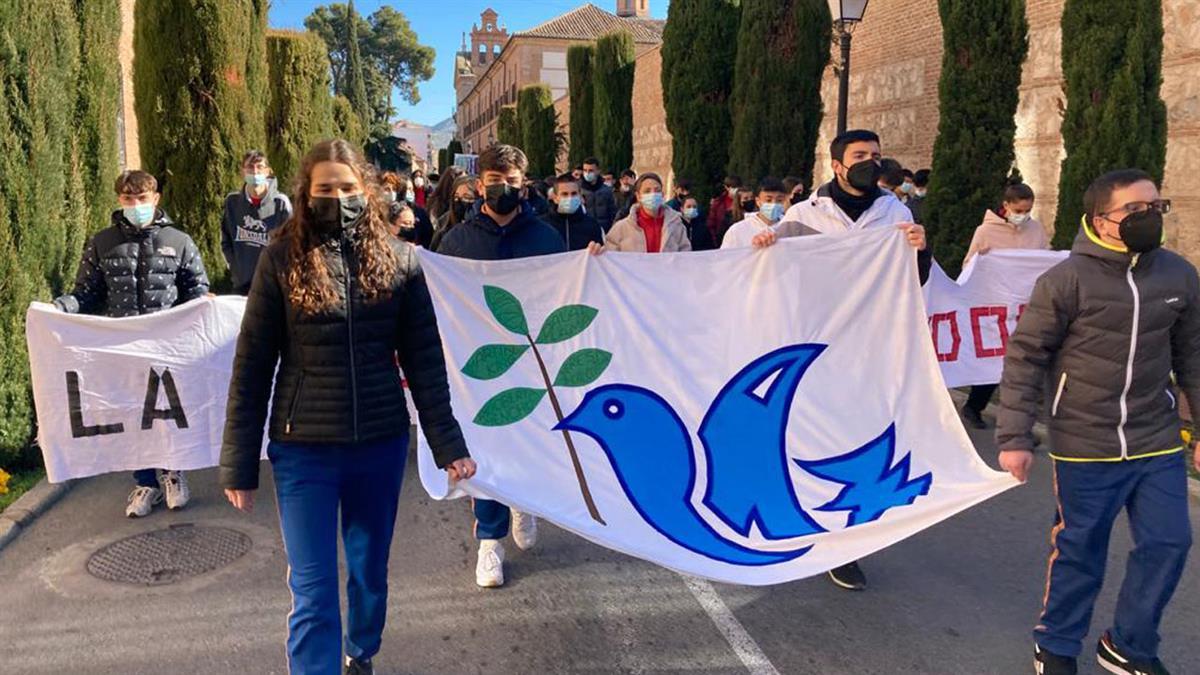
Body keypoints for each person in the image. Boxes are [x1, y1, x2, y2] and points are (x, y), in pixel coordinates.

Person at [219, 140, 474, 675]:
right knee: (312, 589)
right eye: (325, 189)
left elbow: (425, 362)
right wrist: (238, 462)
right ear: (306, 195)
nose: (338, 198)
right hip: (303, 452)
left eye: (348, 188)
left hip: (379, 446)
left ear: (368, 191)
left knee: (368, 574)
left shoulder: (402, 261)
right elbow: (252, 366)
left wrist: (448, 444)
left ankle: (362, 653)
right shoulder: (281, 258)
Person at [996, 169, 1198, 675]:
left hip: (1156, 438)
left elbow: (1193, 354)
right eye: (1134, 210)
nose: (1148, 217)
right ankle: (1057, 643)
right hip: (1085, 441)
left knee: (1170, 542)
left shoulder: (1178, 275)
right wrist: (1015, 437)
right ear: (1099, 221)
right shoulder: (1065, 280)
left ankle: (1129, 644)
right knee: (1080, 549)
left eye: (1155, 206)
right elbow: (1025, 358)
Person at [751, 129, 929, 593]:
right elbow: (771, 281)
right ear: (836, 165)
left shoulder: (896, 213)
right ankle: (808, 521)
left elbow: (915, 281)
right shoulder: (802, 217)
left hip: (872, 351)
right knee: (813, 442)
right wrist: (763, 254)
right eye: (859, 156)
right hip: (816, 350)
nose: (870, 162)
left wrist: (921, 250)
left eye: (876, 155)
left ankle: (849, 545)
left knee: (866, 445)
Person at [437, 144, 566, 588]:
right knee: (484, 449)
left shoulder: (547, 239)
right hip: (480, 367)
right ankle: (489, 542)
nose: (503, 188)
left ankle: (523, 502)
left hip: (533, 362)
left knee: (531, 441)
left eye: (511, 181)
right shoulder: (457, 241)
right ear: (479, 185)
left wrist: (593, 263)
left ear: (523, 184)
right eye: (495, 180)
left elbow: (568, 292)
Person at [54, 169, 210, 518]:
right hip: (124, 347)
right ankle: (145, 483)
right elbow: (87, 294)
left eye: (142, 199)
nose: (135, 205)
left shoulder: (180, 241)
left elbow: (196, 290)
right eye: (128, 199)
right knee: (133, 413)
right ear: (119, 201)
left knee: (168, 412)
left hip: (168, 346)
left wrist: (204, 308)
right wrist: (60, 308)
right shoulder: (103, 242)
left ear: (155, 199)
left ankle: (173, 473)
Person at [959, 181, 1048, 431]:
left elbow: (1043, 258)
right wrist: (983, 261)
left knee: (1022, 367)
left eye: (1028, 210)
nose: (1023, 215)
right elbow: (969, 266)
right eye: (1018, 210)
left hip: (1025, 307)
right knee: (995, 362)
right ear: (1006, 206)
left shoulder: (1036, 230)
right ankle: (974, 407)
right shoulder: (985, 232)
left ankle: (1018, 425)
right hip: (994, 306)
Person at [221, 150, 293, 296]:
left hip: (272, 286)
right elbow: (224, 240)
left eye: (259, 167)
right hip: (242, 285)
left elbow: (291, 245)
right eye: (250, 167)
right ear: (243, 171)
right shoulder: (232, 202)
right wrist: (236, 269)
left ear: (268, 171)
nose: (255, 172)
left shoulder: (281, 204)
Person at [591, 173, 691, 254]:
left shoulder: (676, 225)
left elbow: (685, 256)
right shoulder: (621, 228)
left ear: (662, 194)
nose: (653, 194)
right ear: (638, 196)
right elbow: (609, 258)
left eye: (657, 190)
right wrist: (598, 253)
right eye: (647, 191)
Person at [720, 177, 789, 249]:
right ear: (758, 201)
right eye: (768, 200)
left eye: (779, 200)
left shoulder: (790, 228)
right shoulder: (737, 230)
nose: (774, 204)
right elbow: (726, 257)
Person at [546, 173, 604, 251]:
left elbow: (599, 252)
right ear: (555, 198)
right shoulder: (545, 225)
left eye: (574, 194)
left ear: (580, 196)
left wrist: (598, 249)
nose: (570, 198)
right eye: (564, 194)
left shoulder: (591, 224)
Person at [382, 173, 434, 249]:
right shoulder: (374, 212)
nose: (391, 193)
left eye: (394, 189)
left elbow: (428, 236)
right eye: (387, 189)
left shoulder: (418, 212)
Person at [430, 174, 477, 252]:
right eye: (456, 197)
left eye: (467, 197)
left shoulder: (484, 226)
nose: (459, 201)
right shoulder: (444, 222)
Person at [579, 157, 618, 232]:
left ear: (598, 171)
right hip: (585, 230)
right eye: (585, 170)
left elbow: (613, 213)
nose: (587, 173)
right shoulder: (578, 190)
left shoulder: (607, 190)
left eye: (591, 170)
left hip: (605, 230)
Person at [707, 175, 742, 248]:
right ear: (726, 187)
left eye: (737, 187)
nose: (736, 190)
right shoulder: (718, 203)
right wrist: (715, 242)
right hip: (722, 239)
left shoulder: (742, 201)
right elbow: (711, 223)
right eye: (733, 187)